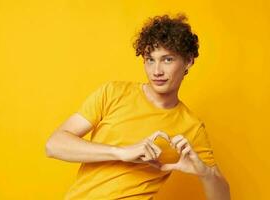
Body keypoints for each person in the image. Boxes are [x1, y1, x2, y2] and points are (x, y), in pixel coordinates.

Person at [45, 13, 230, 200]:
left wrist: (206, 174)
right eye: (150, 59)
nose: (156, 71)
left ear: (188, 61)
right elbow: (54, 145)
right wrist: (120, 152)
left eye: (167, 59)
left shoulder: (192, 127)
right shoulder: (113, 93)